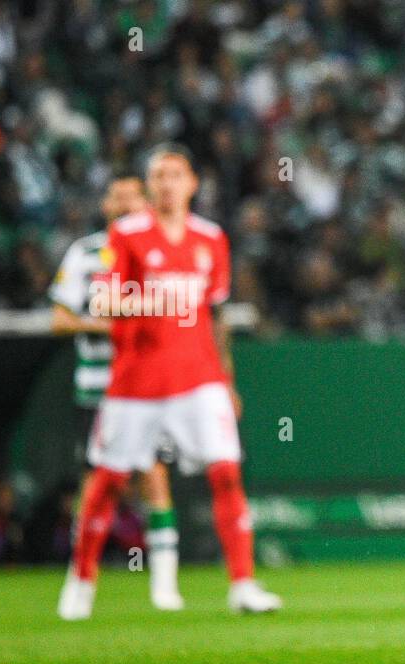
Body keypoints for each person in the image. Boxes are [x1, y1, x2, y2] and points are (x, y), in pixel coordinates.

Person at [57, 144, 281, 619]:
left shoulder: (211, 239)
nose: (167, 184)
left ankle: (242, 583)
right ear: (150, 185)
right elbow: (103, 302)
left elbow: (215, 314)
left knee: (225, 472)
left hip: (198, 380)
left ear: (193, 183)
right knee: (110, 481)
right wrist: (147, 302)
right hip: (135, 383)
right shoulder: (126, 235)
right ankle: (81, 580)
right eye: (158, 175)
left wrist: (227, 379)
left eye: (175, 175)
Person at [49, 174, 184, 609]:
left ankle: (164, 584)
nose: (124, 205)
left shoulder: (161, 252)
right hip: (98, 388)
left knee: (155, 477)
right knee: (97, 483)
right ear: (106, 205)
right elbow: (60, 319)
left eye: (132, 199)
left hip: (149, 386)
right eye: (117, 198)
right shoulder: (85, 253)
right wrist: (107, 323)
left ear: (146, 204)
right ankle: (81, 577)